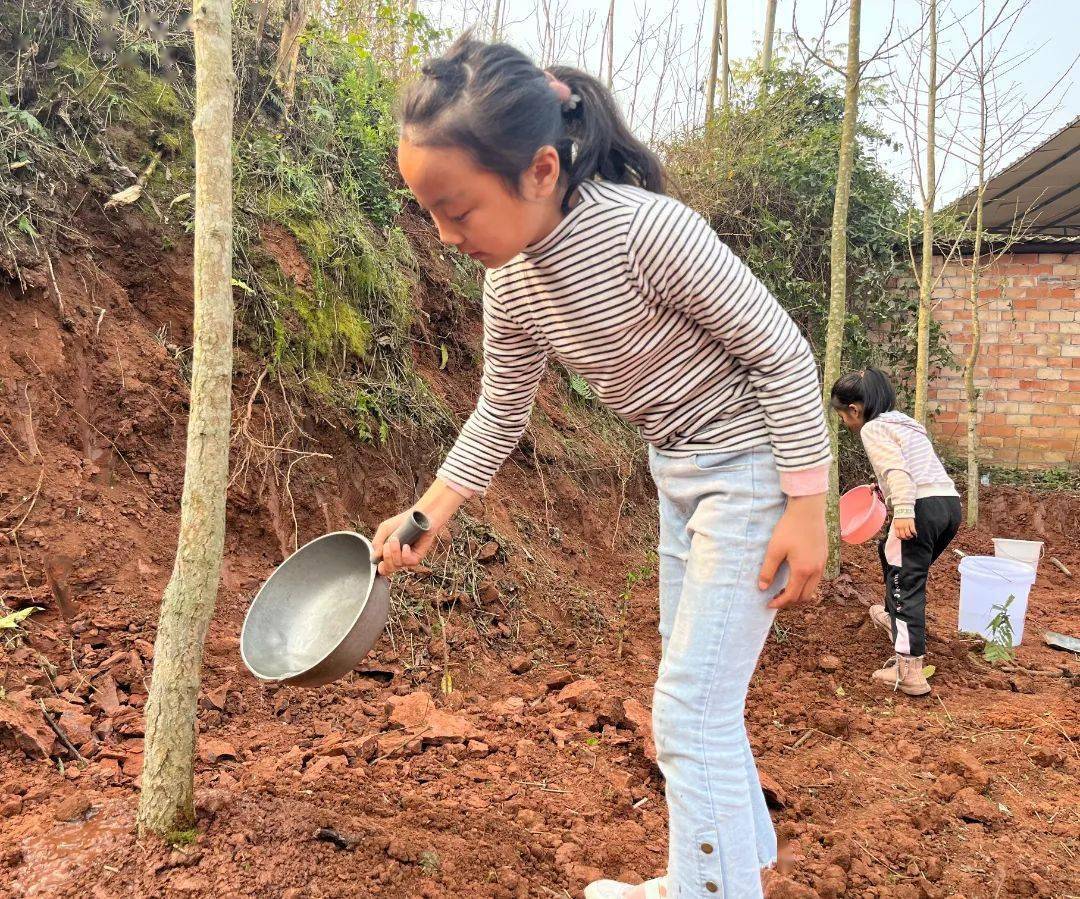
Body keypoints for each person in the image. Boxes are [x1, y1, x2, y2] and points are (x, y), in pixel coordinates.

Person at [374, 35, 831, 899]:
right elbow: (500, 411)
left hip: (750, 467)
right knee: (698, 697)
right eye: (430, 212)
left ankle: (710, 888)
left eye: (458, 208)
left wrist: (806, 504)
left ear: (540, 169)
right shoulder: (510, 282)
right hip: (679, 471)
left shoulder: (645, 233)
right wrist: (428, 512)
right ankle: (731, 869)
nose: (443, 234)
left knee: (688, 711)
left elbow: (780, 352)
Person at [831, 368, 961, 697]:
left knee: (906, 581)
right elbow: (912, 468)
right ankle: (894, 618)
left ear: (855, 410)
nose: (846, 423)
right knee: (891, 556)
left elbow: (897, 470)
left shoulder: (873, 429)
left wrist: (902, 510)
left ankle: (909, 671)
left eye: (843, 416)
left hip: (919, 508)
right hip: (947, 505)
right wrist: (885, 490)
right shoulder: (903, 422)